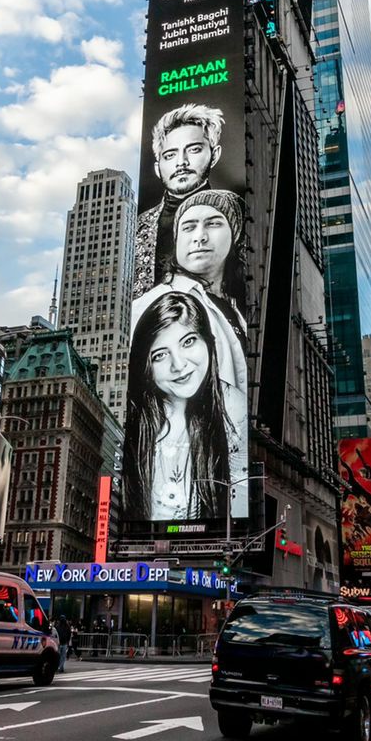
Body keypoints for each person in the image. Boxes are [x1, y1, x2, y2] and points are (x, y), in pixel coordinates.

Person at [122, 290, 246, 522]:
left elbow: (239, 504)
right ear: (145, 367)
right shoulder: (136, 423)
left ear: (209, 342)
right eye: (160, 355)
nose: (178, 365)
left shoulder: (235, 409)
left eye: (188, 342)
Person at [131, 189, 247, 393]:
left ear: (234, 234)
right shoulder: (151, 305)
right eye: (188, 227)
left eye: (213, 223)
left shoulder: (236, 307)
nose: (199, 237)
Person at [134, 104, 226, 291]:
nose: (181, 162)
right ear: (157, 168)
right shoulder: (139, 227)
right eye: (170, 155)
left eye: (193, 150)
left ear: (214, 155)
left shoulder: (232, 216)